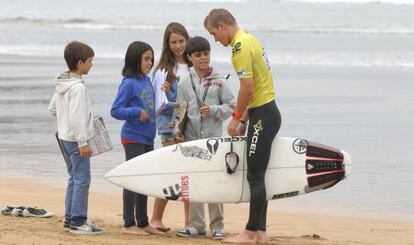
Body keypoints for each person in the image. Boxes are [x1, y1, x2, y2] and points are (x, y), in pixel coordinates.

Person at [204, 9, 282, 244]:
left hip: (263, 116)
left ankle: (249, 232)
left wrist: (236, 117)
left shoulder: (239, 48)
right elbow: (257, 86)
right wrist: (246, 117)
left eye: (213, 34)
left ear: (221, 26)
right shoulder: (250, 38)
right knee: (259, 176)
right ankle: (260, 233)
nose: (215, 40)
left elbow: (246, 88)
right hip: (264, 112)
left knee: (255, 177)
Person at [174, 36, 235, 240]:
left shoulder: (219, 80)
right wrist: (178, 130)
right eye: (198, 55)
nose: (203, 58)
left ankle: (217, 226)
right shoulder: (184, 81)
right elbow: (180, 109)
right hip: (191, 140)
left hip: (214, 142)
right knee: (193, 181)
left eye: (206, 53)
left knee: (215, 182)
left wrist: (214, 111)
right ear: (190, 57)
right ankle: (196, 225)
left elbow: (232, 106)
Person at [48, 41, 102, 235]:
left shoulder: (63, 83)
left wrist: (64, 123)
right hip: (75, 139)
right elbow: (77, 116)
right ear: (80, 63)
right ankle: (79, 221)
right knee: (82, 179)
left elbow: (53, 109)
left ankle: (71, 218)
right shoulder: (77, 88)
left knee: (74, 177)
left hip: (63, 136)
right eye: (90, 61)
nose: (92, 64)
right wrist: (82, 141)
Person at [110, 41, 164, 236]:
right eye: (147, 59)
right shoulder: (128, 83)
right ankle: (128, 223)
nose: (150, 63)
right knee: (132, 181)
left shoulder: (147, 80)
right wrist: (135, 112)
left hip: (148, 138)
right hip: (132, 137)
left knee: (144, 181)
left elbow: (152, 105)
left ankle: (143, 222)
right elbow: (115, 110)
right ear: (136, 60)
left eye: (151, 59)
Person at [150, 22, 192, 231]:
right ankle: (156, 218)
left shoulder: (194, 63)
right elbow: (159, 105)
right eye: (173, 42)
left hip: (192, 127)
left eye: (181, 41)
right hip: (170, 128)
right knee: (171, 172)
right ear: (167, 44)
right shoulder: (162, 71)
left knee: (189, 175)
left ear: (187, 40)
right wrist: (168, 94)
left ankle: (190, 222)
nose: (178, 46)